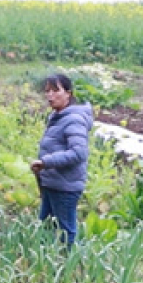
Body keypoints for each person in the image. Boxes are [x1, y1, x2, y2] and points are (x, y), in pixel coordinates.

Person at [30, 73, 93, 246]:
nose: (50, 95)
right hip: (52, 183)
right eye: (47, 91)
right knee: (45, 226)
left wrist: (46, 162)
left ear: (68, 93)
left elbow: (79, 153)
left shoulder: (74, 119)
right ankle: (45, 263)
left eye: (55, 90)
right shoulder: (57, 117)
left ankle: (69, 266)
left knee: (66, 230)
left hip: (65, 187)